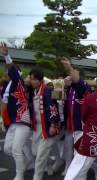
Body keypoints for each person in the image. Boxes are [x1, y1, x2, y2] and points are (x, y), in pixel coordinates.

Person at [1, 43, 33, 180]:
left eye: (11, 72)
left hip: (23, 121)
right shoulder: (10, 85)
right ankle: (27, 162)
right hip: (13, 122)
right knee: (8, 149)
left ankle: (19, 174)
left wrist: (6, 55)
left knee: (16, 149)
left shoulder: (18, 81)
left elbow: (12, 70)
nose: (8, 74)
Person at [28, 68, 61, 180]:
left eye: (34, 80)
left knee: (41, 155)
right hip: (37, 126)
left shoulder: (47, 90)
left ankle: (37, 177)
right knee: (34, 152)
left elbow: (53, 108)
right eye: (31, 79)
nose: (32, 81)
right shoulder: (32, 91)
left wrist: (52, 124)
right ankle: (48, 166)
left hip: (47, 126)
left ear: (40, 80)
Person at [60, 57, 92, 175]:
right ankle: (68, 165)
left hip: (80, 124)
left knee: (80, 150)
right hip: (70, 122)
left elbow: (78, 82)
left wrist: (69, 67)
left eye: (74, 74)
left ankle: (88, 171)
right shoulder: (70, 88)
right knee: (68, 147)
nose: (71, 76)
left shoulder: (84, 86)